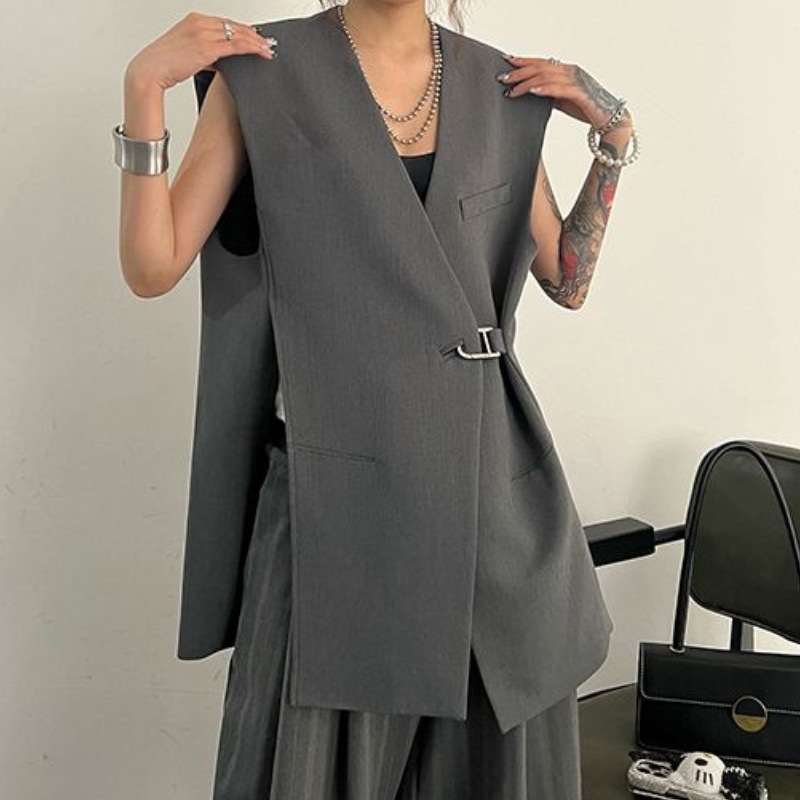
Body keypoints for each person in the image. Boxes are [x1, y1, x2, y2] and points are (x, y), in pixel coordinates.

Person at [115, 1, 638, 797]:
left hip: (489, 505)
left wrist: (614, 138)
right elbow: (152, 265)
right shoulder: (265, 72)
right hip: (334, 511)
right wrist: (143, 86)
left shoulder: (496, 85)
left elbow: (566, 279)